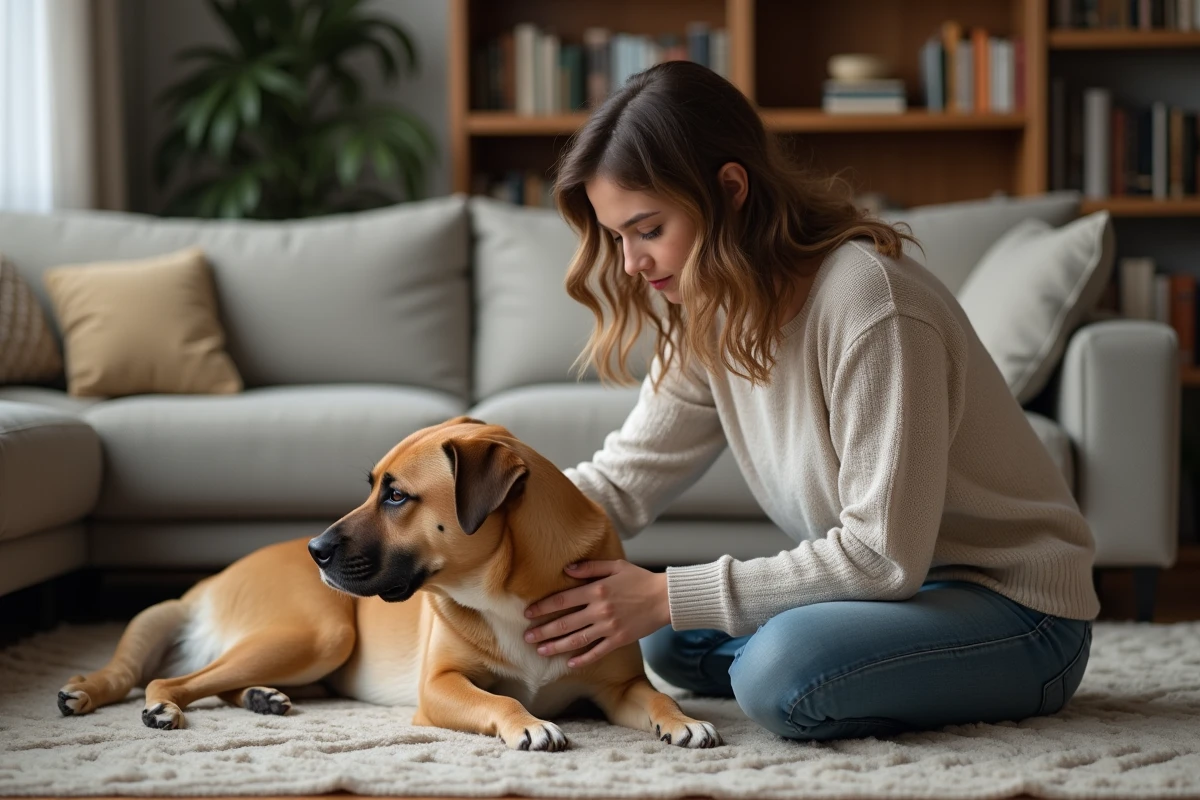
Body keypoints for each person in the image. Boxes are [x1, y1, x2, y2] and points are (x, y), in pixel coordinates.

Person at [519, 60, 1098, 742]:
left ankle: (814, 665)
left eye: (648, 230)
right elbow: (619, 484)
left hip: (1018, 614)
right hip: (902, 600)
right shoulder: (713, 309)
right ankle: (833, 661)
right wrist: (476, 528)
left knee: (774, 670)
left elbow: (882, 557)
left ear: (730, 189)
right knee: (664, 641)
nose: (629, 265)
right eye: (617, 237)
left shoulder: (872, 305)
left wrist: (668, 593)